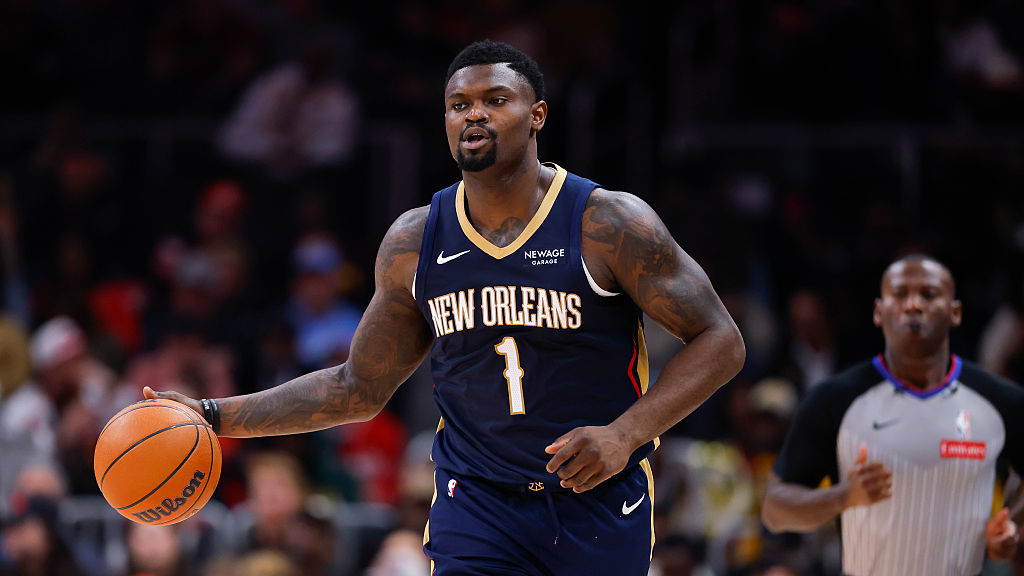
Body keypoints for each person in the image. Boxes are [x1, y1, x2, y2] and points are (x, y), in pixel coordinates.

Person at [146, 39, 744, 575]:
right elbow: (356, 387)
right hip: (477, 506)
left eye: (495, 99)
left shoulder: (607, 222)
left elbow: (721, 340)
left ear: (538, 115)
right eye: (459, 105)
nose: (474, 114)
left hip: (598, 500)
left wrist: (625, 434)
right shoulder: (415, 241)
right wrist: (211, 413)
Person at [761, 254, 1024, 576]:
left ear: (955, 312)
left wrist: (1013, 528)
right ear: (878, 311)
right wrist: (842, 496)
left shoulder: (1001, 401)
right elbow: (775, 509)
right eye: (899, 295)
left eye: (928, 294)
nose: (913, 305)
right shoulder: (834, 400)